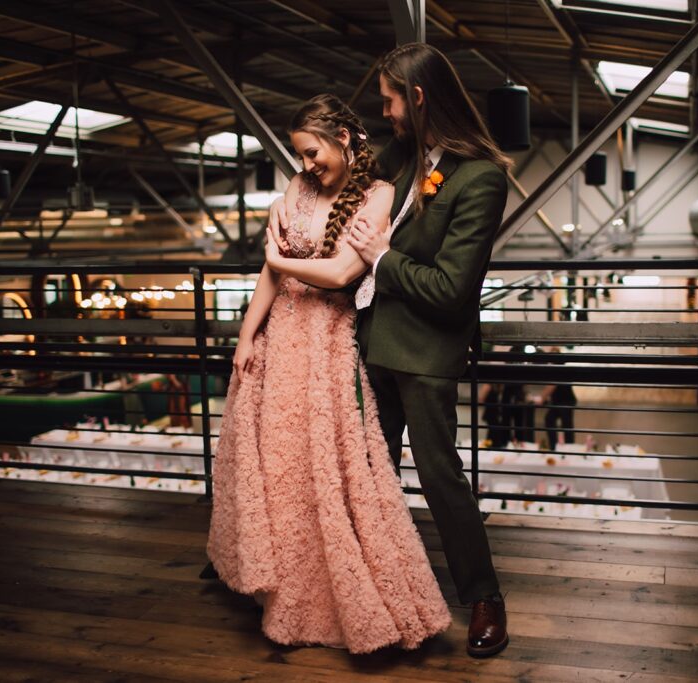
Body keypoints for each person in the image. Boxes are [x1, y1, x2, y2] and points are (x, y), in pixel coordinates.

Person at [206, 93, 451, 655]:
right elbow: (269, 280)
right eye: (299, 156)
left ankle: (340, 599)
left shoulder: (380, 193)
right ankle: (277, 589)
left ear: (343, 136)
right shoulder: (297, 189)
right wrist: (246, 337)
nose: (307, 165)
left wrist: (277, 258)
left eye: (313, 152)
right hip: (278, 342)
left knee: (324, 470)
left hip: (325, 344)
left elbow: (342, 273)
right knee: (276, 470)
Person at [347, 43, 512, 658]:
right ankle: (380, 597)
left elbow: (449, 289)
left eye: (389, 100)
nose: (383, 112)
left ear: (416, 97)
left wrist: (381, 259)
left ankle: (484, 598)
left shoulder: (481, 177)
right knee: (373, 479)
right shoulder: (401, 156)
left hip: (425, 353)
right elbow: (349, 173)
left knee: (442, 478)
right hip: (367, 343)